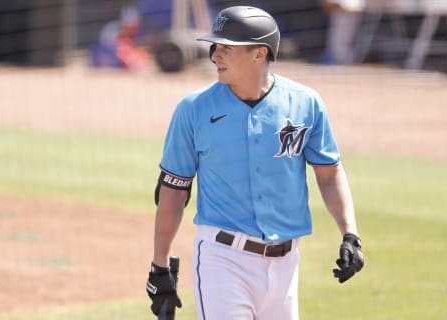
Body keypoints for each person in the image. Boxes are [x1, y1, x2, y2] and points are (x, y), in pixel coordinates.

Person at [146, 6, 364, 320]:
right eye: (214, 47)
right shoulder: (193, 109)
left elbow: (329, 174)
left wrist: (350, 234)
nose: (215, 55)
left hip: (286, 265)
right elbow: (173, 190)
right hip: (222, 261)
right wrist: (159, 265)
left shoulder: (305, 103)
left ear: (259, 53)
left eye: (226, 48)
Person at [318, 0, 364, 65]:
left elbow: (353, 7)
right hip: (341, 10)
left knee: (341, 45)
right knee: (337, 43)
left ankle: (343, 62)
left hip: (348, 9)